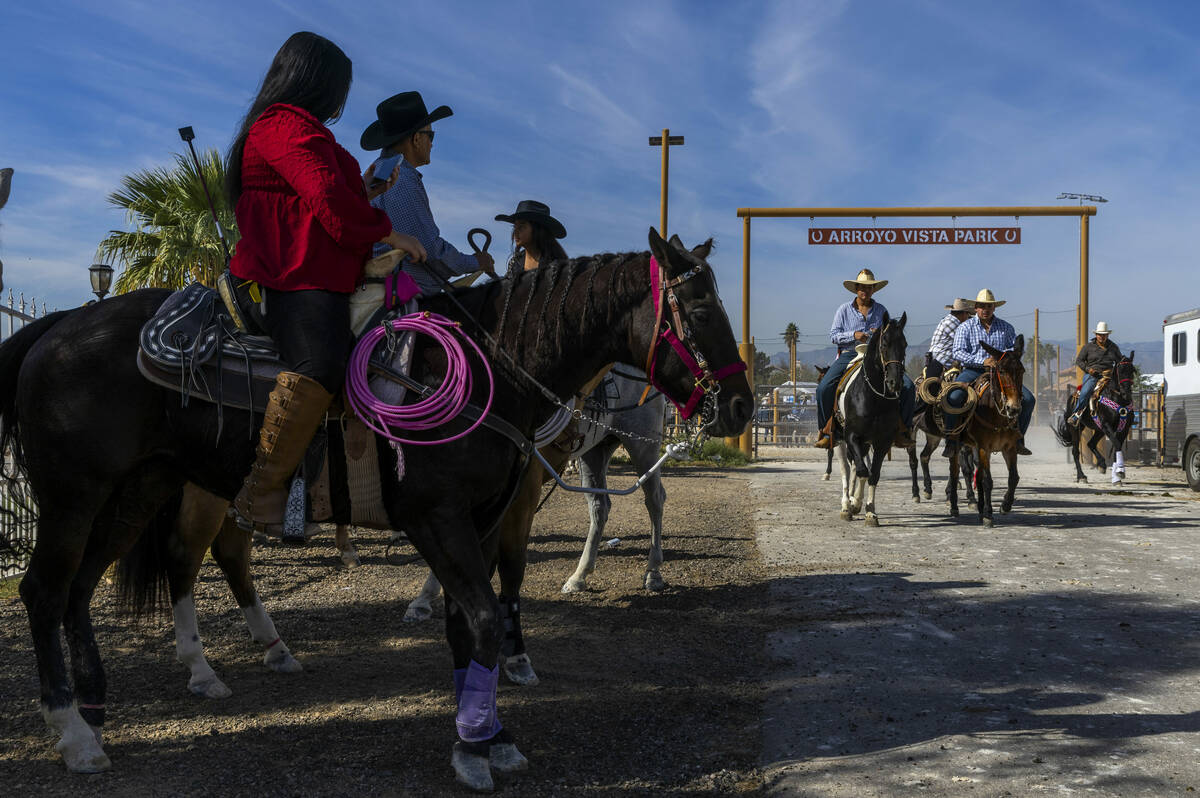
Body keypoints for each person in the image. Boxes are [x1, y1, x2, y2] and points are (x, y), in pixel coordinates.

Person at [225, 31, 426, 534]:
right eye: (339, 86)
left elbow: (333, 193)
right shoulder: (281, 126)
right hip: (290, 273)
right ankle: (262, 492)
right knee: (322, 362)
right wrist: (389, 230)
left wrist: (368, 190)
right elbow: (328, 204)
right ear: (317, 81)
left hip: (314, 267)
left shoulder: (300, 128)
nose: (341, 98)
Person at [362, 91, 495, 295]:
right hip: (402, 297)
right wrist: (475, 262)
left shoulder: (382, 170)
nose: (432, 143)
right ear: (416, 139)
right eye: (430, 135)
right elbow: (430, 250)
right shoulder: (401, 178)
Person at [814, 268, 915, 449]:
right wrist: (854, 335)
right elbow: (834, 335)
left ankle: (903, 429)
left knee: (908, 386)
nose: (865, 291)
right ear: (856, 289)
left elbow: (890, 335)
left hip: (875, 356)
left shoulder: (881, 310)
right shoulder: (843, 310)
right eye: (862, 287)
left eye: (869, 287)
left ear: (874, 289)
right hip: (850, 354)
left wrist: (881, 335)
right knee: (823, 388)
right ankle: (826, 430)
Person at [942, 288, 1035, 455]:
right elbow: (957, 352)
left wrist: (1001, 361)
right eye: (982, 306)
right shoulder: (965, 327)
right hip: (973, 370)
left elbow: (1012, 351)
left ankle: (1018, 439)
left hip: (1001, 373)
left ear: (994, 308)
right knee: (953, 397)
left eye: (989, 306)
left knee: (1028, 400)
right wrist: (982, 361)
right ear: (976, 307)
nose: (985, 310)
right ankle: (951, 440)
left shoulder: (1006, 328)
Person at [1069, 321, 1123, 426]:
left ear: (1107, 335)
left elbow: (1119, 362)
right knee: (1086, 392)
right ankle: (1077, 414)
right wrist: (1089, 370)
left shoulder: (1114, 347)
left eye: (1104, 335)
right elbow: (1079, 361)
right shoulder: (1088, 347)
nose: (1102, 337)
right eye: (1100, 335)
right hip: (1092, 375)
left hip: (1109, 375)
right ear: (1096, 335)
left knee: (1123, 390)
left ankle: (1126, 413)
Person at [494, 200, 568, 276]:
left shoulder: (556, 264)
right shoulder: (516, 262)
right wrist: (490, 271)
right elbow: (508, 287)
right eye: (515, 227)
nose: (515, 232)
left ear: (537, 230)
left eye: (521, 227)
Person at [927, 297, 975, 378]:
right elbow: (966, 342)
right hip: (942, 362)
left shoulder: (948, 320)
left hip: (940, 360)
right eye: (968, 314)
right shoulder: (952, 323)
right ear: (964, 313)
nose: (968, 318)